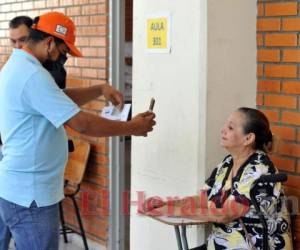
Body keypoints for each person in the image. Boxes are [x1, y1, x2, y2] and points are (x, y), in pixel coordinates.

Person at [0, 11, 156, 250]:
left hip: (23, 189)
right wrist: (132, 127)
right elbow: (83, 123)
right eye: (64, 53)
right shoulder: (32, 74)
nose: (64, 60)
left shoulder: (22, 66)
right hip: (31, 196)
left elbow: (57, 98)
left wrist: (100, 89)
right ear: (50, 42)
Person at [142, 107, 292, 250]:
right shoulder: (227, 163)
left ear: (248, 138)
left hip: (254, 245)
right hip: (223, 244)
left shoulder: (259, 169)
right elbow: (204, 199)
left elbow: (224, 214)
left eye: (231, 128)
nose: (223, 130)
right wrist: (165, 204)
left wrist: (170, 210)